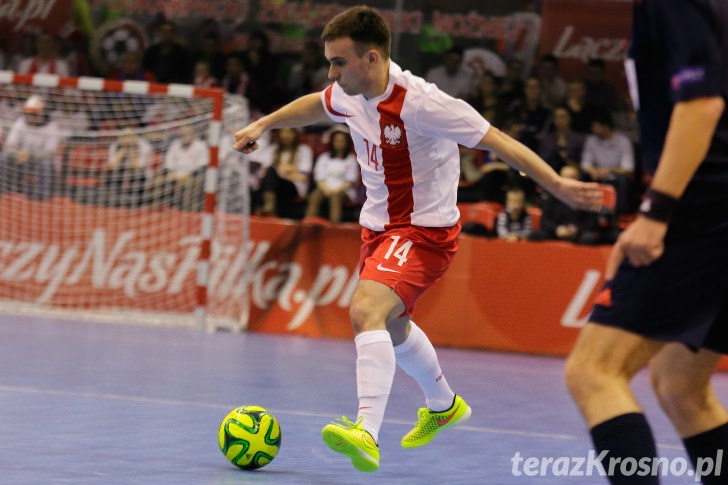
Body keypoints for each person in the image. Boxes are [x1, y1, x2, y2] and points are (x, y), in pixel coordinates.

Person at [233, 6, 602, 473]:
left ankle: (365, 431)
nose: (331, 72)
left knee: (365, 309)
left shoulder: (424, 103)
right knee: (393, 326)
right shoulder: (349, 92)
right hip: (378, 228)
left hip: (423, 232)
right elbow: (316, 103)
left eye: (338, 62)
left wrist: (559, 186)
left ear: (371, 58)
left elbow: (499, 142)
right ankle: (444, 405)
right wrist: (264, 124)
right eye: (328, 61)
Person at [565, 1, 728, 484]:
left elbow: (701, 104)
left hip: (704, 210)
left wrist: (658, 213)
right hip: (713, 211)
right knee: (682, 386)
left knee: (594, 372)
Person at [0, 95, 63, 200]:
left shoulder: (52, 126)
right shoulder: (20, 123)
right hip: (21, 159)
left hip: (40, 160)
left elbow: (50, 151)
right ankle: (3, 189)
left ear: (42, 112)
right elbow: (9, 144)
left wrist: (31, 154)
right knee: (3, 157)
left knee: (45, 163)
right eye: (29, 113)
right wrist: (18, 152)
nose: (31, 116)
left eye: (34, 113)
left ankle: (42, 196)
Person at [251, 127, 313, 217]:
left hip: (293, 187)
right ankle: (265, 210)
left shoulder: (304, 150)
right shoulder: (272, 149)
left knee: (272, 174)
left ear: (296, 135)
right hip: (273, 185)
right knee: (269, 175)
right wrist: (288, 170)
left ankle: (269, 206)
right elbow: (263, 173)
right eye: (283, 132)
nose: (285, 136)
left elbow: (303, 177)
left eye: (289, 133)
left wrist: (283, 172)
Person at [305, 126, 359, 223]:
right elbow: (319, 178)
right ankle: (308, 224)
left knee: (335, 197)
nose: (339, 143)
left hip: (344, 191)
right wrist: (326, 189)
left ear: (347, 143)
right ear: (332, 142)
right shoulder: (323, 158)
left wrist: (335, 191)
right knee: (314, 195)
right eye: (336, 140)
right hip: (324, 189)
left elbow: (349, 181)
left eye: (342, 141)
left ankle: (334, 227)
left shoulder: (351, 159)